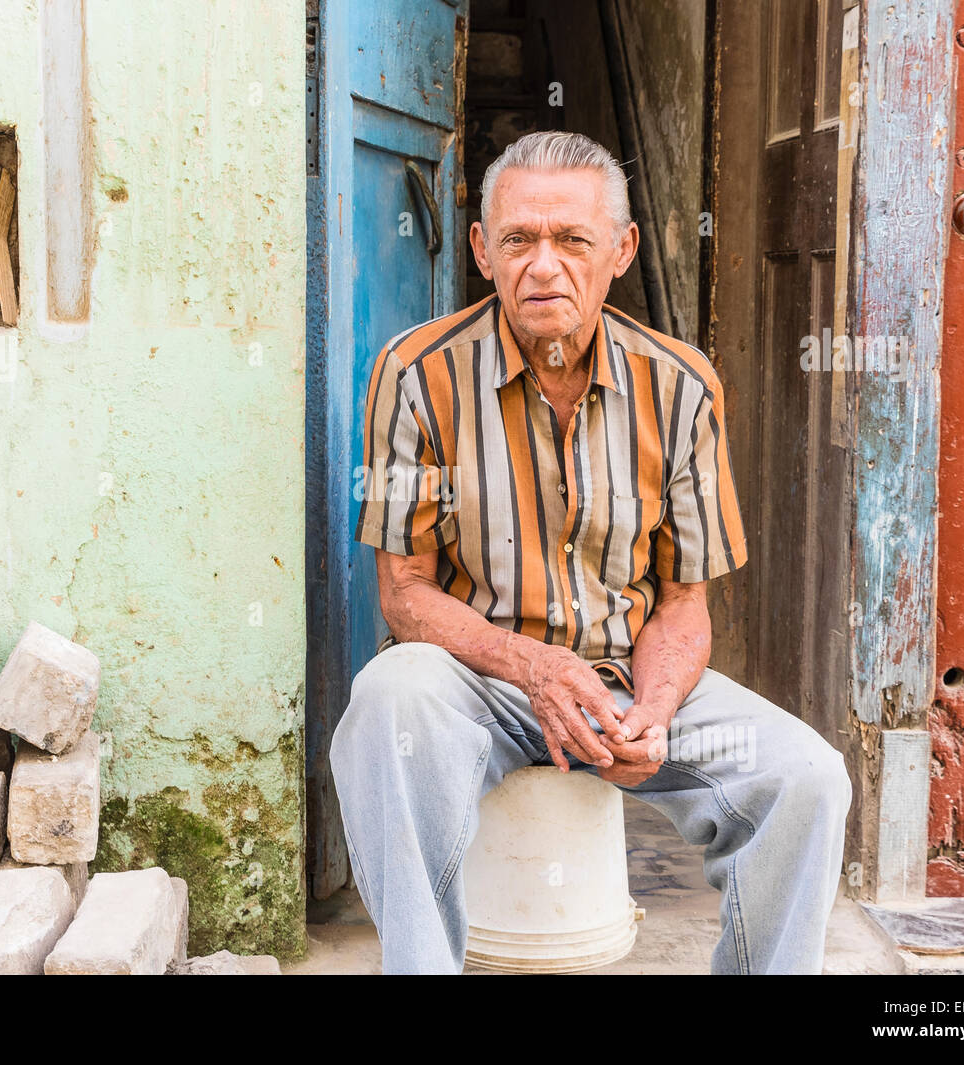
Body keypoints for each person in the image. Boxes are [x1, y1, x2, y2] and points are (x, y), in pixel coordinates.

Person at [331, 131, 851, 975]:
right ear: (480, 250)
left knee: (808, 777)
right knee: (389, 701)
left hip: (625, 687)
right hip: (480, 682)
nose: (544, 266)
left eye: (572, 240)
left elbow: (684, 604)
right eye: (518, 239)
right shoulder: (416, 373)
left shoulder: (682, 385)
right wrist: (532, 667)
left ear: (621, 250)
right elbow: (407, 592)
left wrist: (654, 704)